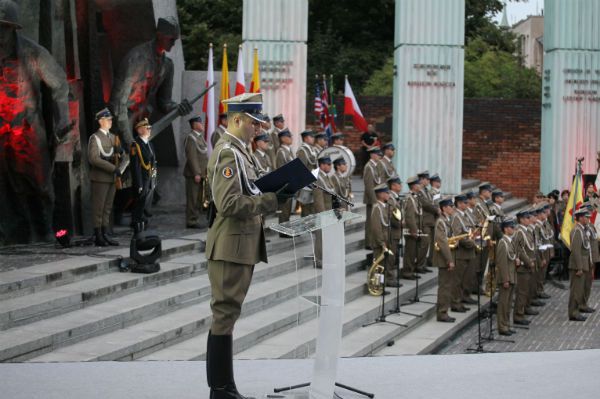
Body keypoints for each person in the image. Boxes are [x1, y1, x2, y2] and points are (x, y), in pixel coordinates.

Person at [205, 93, 289, 399]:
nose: (258, 128)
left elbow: (247, 189)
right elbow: (227, 203)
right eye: (253, 123)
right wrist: (271, 199)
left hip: (238, 245)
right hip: (230, 246)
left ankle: (224, 387)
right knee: (224, 315)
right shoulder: (228, 152)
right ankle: (221, 389)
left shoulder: (241, 152)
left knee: (227, 315)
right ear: (237, 119)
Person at [0, 0, 70, 243]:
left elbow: (60, 84)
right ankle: (12, 234)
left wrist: (62, 120)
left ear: (13, 29)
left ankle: (46, 231)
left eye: (3, 28)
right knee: (5, 186)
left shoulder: (32, 53)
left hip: (27, 129)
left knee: (40, 184)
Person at [110, 16, 192, 147]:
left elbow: (164, 102)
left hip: (142, 123)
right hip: (123, 121)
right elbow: (118, 104)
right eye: (171, 39)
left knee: (147, 161)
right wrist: (129, 141)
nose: (173, 43)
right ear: (160, 35)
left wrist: (177, 108)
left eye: (175, 40)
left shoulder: (167, 65)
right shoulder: (136, 59)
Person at [88, 108, 122, 246]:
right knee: (99, 208)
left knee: (107, 208)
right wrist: (113, 168)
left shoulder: (114, 138)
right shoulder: (95, 138)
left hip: (112, 178)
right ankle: (98, 235)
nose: (110, 121)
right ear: (101, 121)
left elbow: (120, 156)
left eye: (111, 119)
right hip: (100, 177)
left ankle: (105, 233)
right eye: (108, 119)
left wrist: (121, 161)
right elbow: (94, 159)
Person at [130, 118, 157, 233]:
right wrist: (139, 183)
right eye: (147, 128)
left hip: (150, 177)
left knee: (146, 201)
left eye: (150, 128)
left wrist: (154, 178)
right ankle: (136, 223)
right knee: (139, 202)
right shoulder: (136, 145)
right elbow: (135, 166)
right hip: (142, 178)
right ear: (140, 130)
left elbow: (153, 161)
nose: (149, 130)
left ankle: (143, 221)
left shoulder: (150, 143)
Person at [450, 195, 477, 311]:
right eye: (465, 203)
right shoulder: (456, 217)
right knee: (457, 280)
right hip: (461, 252)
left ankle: (463, 298)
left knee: (467, 277)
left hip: (469, 252)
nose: (467, 205)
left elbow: (471, 229)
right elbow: (458, 235)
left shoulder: (465, 215)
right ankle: (455, 303)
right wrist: (471, 243)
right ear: (459, 204)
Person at [370, 183, 400, 287]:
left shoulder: (385, 207)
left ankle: (384, 283)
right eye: (386, 193)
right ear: (381, 194)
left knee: (386, 263)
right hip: (380, 242)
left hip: (387, 240)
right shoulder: (377, 208)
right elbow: (376, 228)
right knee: (379, 266)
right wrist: (382, 243)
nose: (388, 195)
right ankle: (377, 286)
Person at [568, 208, 593, 321]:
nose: (588, 219)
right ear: (581, 218)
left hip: (583, 264)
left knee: (580, 289)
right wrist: (579, 267)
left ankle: (577, 310)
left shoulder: (582, 230)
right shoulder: (577, 231)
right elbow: (576, 251)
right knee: (576, 291)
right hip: (578, 266)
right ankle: (573, 312)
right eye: (586, 217)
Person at [434, 197, 457, 322]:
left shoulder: (448, 220)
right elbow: (442, 242)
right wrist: (449, 260)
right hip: (444, 259)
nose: (452, 208)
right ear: (444, 208)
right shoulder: (441, 222)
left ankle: (444, 311)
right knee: (444, 287)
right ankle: (442, 313)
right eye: (450, 206)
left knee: (447, 286)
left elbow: (451, 239)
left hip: (449, 256)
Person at [183, 116, 209, 228]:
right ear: (194, 125)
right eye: (200, 123)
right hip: (194, 174)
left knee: (199, 198)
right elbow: (192, 157)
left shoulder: (199, 137)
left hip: (201, 174)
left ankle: (195, 218)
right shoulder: (191, 138)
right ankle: (191, 221)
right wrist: (196, 173)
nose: (202, 124)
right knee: (192, 198)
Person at [495, 218, 518, 336]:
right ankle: (502, 326)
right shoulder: (502, 242)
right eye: (511, 227)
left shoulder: (510, 241)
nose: (513, 229)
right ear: (505, 229)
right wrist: (505, 279)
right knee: (503, 304)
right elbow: (502, 263)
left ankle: (507, 324)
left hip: (512, 276)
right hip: (506, 277)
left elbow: (511, 257)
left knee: (508, 303)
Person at [513, 210, 536, 326]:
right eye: (527, 218)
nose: (529, 219)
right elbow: (519, 250)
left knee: (526, 290)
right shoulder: (519, 232)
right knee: (521, 292)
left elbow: (530, 248)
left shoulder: (527, 231)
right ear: (521, 219)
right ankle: (518, 315)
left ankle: (523, 310)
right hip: (523, 266)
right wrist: (528, 262)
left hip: (528, 264)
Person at [313, 156, 335, 268]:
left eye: (330, 164)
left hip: (329, 211)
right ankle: (319, 259)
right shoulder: (318, 178)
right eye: (327, 164)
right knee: (320, 237)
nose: (330, 166)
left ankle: (326, 257)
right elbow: (318, 199)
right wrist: (323, 214)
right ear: (321, 165)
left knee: (327, 237)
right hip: (323, 212)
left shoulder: (326, 177)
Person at [402, 176, 425, 280]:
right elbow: (410, 217)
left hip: (416, 228)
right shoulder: (410, 199)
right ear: (414, 186)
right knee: (410, 252)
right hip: (411, 230)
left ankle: (410, 270)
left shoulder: (416, 197)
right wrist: (414, 230)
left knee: (414, 251)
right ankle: (407, 272)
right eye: (418, 184)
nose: (420, 186)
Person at [363, 147, 382, 249]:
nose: (379, 156)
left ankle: (372, 241)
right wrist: (374, 200)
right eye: (377, 154)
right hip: (372, 199)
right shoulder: (369, 167)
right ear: (372, 155)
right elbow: (369, 186)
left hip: (376, 198)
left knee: (374, 220)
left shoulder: (375, 166)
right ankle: (368, 242)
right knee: (370, 221)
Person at [275, 128, 294, 231]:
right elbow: (280, 169)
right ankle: (282, 230)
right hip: (284, 185)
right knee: (284, 208)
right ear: (282, 138)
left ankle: (286, 228)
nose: (291, 138)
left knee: (288, 208)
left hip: (290, 183)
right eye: (289, 136)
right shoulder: (281, 152)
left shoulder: (289, 151)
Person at [417, 171, 436, 272]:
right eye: (427, 179)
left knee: (427, 244)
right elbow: (426, 204)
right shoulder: (419, 191)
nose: (429, 181)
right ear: (422, 180)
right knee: (424, 243)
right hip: (424, 220)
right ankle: (419, 265)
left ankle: (423, 264)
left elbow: (431, 201)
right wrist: (436, 209)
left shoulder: (426, 190)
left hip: (429, 220)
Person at [387, 176, 404, 287]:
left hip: (397, 231)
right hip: (392, 232)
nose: (401, 186)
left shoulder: (396, 198)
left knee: (394, 256)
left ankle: (391, 277)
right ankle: (388, 278)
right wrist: (400, 223)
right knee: (391, 257)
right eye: (398, 184)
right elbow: (392, 215)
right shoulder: (391, 198)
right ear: (393, 186)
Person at [296, 130, 318, 216]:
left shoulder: (311, 150)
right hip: (306, 185)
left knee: (312, 210)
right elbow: (301, 169)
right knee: (306, 212)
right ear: (305, 138)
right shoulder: (302, 151)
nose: (313, 138)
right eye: (311, 137)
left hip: (313, 183)